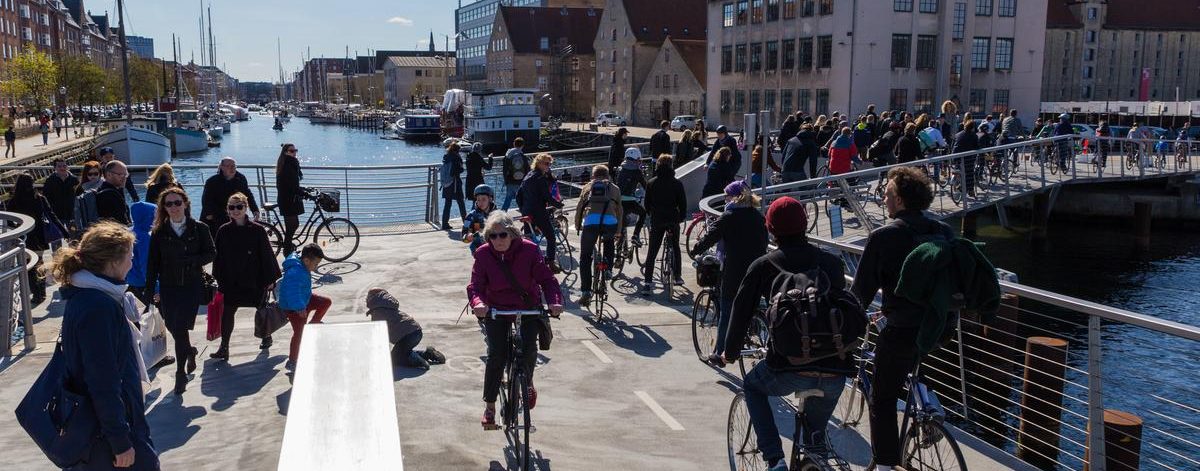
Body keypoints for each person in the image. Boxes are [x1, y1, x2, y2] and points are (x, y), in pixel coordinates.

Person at [723, 197, 851, 471]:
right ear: (806, 224)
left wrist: (730, 352)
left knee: (753, 386)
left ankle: (774, 459)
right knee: (815, 440)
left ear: (770, 229)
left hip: (788, 366)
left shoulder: (763, 265)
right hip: (836, 367)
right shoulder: (830, 262)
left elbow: (741, 310)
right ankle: (816, 460)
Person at [852, 167, 955, 471]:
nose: (884, 199)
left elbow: (860, 293)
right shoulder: (944, 231)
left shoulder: (883, 236)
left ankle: (885, 465)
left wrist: (846, 323)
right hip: (941, 325)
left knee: (882, 399)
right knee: (912, 361)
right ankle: (929, 402)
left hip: (902, 328)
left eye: (886, 194)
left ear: (898, 199)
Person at [45, 222, 160, 470]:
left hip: (108, 423)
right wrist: (120, 440)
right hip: (109, 430)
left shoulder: (87, 295)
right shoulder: (99, 307)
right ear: (113, 262)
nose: (132, 263)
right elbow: (102, 378)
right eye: (130, 256)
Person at [467, 212, 564, 429]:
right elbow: (475, 286)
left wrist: (554, 302)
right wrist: (478, 304)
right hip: (496, 310)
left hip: (527, 308)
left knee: (529, 349)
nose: (498, 240)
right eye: (492, 236)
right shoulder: (483, 255)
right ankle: (490, 407)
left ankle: (527, 382)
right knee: (496, 356)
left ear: (512, 234)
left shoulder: (529, 250)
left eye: (503, 235)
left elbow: (547, 280)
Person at [143, 187, 215, 395]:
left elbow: (211, 253)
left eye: (177, 203)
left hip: (190, 286)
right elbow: (152, 264)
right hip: (168, 286)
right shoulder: (159, 232)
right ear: (163, 208)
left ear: (185, 203)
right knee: (175, 329)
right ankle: (190, 352)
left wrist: (191, 262)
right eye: (168, 204)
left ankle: (180, 374)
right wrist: (148, 292)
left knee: (180, 329)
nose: (173, 207)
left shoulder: (199, 228)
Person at [688, 180, 768, 364]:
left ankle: (721, 352)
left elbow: (711, 236)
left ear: (734, 197)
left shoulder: (729, 216)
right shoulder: (757, 216)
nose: (725, 199)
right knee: (750, 304)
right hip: (757, 269)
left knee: (727, 310)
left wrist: (696, 249)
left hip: (735, 271)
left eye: (726, 196)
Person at [212, 192, 281, 359]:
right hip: (231, 280)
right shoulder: (223, 230)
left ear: (246, 208)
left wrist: (271, 279)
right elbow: (218, 257)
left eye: (239, 207)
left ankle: (266, 336)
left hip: (255, 278)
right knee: (227, 312)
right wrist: (218, 278)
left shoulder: (257, 230)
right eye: (231, 207)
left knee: (261, 309)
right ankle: (224, 347)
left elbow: (267, 254)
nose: (235, 210)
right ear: (227, 209)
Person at [3, 173, 67, 305]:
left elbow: (9, 222)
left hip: (23, 238)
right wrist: (64, 231)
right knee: (39, 263)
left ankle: (36, 293)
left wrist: (16, 229)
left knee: (29, 266)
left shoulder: (13, 201)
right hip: (39, 236)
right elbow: (51, 215)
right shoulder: (39, 198)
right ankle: (41, 292)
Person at [277, 243, 332, 370]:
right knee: (299, 333)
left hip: (305, 299)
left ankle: (313, 324)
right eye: (316, 264)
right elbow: (292, 292)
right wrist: (299, 307)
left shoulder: (302, 266)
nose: (317, 266)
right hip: (294, 308)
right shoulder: (296, 272)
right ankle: (292, 360)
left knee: (325, 302)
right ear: (306, 260)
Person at [574, 165, 623, 305]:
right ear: (608, 176)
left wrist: (578, 226)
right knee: (608, 242)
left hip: (590, 224)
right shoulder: (615, 188)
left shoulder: (587, 187)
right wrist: (618, 231)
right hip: (610, 223)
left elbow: (579, 208)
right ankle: (608, 269)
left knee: (585, 256)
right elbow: (619, 210)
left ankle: (586, 292)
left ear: (593, 176)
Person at [641, 154, 687, 293]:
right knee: (675, 246)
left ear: (658, 165)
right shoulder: (677, 183)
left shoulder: (651, 182)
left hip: (658, 219)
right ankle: (677, 276)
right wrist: (681, 218)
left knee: (652, 251)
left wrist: (651, 214)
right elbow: (683, 204)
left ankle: (648, 282)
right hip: (672, 218)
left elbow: (647, 203)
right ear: (671, 166)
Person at [366, 287, 437, 368]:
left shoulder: (377, 311)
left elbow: (378, 333)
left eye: (368, 296)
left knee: (395, 359)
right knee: (402, 352)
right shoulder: (386, 305)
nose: (366, 299)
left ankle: (418, 362)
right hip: (415, 331)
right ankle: (428, 354)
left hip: (408, 336)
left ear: (373, 297)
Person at [517, 153, 564, 273]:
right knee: (551, 237)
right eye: (546, 164)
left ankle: (527, 265)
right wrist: (559, 204)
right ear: (539, 163)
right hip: (538, 211)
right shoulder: (540, 178)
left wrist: (523, 209)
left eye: (550, 164)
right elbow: (547, 197)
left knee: (528, 240)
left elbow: (518, 195)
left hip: (527, 211)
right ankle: (551, 263)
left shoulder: (528, 175)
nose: (548, 166)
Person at [200, 157, 260, 239]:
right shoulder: (212, 181)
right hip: (216, 216)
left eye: (234, 166)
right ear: (222, 167)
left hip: (235, 213)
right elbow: (206, 201)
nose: (232, 168)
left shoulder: (241, 178)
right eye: (229, 166)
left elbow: (247, 194)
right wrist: (210, 214)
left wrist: (255, 210)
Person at [126, 199, 156, 307]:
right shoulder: (144, 237)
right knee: (147, 315)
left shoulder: (128, 231)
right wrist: (155, 287)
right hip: (142, 282)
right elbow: (146, 264)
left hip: (128, 280)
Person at [615, 147, 648, 245]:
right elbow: (645, 186)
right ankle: (635, 235)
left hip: (618, 201)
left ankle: (619, 245)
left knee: (621, 219)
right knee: (642, 214)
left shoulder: (620, 169)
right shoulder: (637, 171)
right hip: (630, 201)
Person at [276, 143, 304, 255]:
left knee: (293, 225)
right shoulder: (288, 165)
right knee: (291, 227)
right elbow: (291, 185)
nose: (294, 152)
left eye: (295, 150)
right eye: (291, 151)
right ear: (285, 152)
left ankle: (288, 246)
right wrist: (303, 193)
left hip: (289, 199)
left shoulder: (289, 163)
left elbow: (292, 183)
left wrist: (302, 190)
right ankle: (287, 250)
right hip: (288, 200)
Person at [463, 184, 500, 253]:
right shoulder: (471, 216)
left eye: (483, 199)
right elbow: (464, 235)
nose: (480, 202)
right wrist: (467, 236)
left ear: (490, 199)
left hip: (496, 246)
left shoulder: (498, 214)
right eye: (478, 200)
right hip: (479, 247)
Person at [440, 142, 468, 230]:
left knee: (447, 204)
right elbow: (459, 170)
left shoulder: (446, 157)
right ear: (457, 150)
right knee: (461, 203)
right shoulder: (456, 157)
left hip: (447, 183)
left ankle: (444, 224)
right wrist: (461, 169)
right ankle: (466, 224)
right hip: (455, 184)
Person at [42, 158, 79, 224]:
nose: (62, 168)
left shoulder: (74, 179)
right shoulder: (50, 180)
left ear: (67, 166)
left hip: (72, 212)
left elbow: (79, 194)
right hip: (56, 213)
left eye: (64, 166)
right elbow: (46, 196)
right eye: (59, 166)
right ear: (55, 168)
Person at [97, 161, 132, 226]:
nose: (124, 178)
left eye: (126, 174)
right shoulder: (110, 195)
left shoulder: (102, 189)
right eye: (120, 174)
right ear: (109, 175)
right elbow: (122, 221)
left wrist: (121, 189)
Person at [953, 120, 982, 197]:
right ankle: (969, 190)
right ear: (972, 128)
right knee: (970, 174)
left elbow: (954, 146)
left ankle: (963, 188)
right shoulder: (973, 135)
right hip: (967, 158)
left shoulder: (958, 134)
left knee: (961, 171)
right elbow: (977, 147)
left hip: (956, 157)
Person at [501, 137, 528, 211]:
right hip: (520, 182)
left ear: (514, 144)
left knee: (508, 199)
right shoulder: (522, 156)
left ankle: (502, 215)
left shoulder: (508, 155)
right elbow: (527, 169)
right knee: (522, 199)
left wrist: (505, 180)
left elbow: (505, 169)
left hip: (510, 180)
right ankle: (525, 213)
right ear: (522, 145)